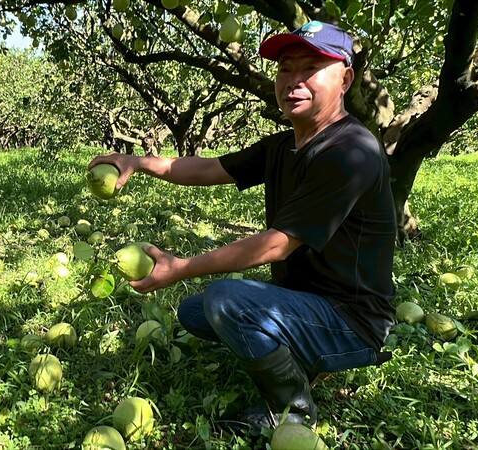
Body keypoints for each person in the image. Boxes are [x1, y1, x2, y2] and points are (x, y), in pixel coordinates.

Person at [88, 21, 396, 432]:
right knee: (196, 312)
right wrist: (140, 162)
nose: (294, 81)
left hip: (353, 321)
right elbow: (210, 167)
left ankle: (292, 408)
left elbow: (276, 245)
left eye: (312, 68)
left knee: (225, 302)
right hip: (306, 299)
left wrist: (181, 267)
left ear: (345, 78)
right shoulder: (285, 145)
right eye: (286, 69)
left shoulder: (350, 152)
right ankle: (302, 352)